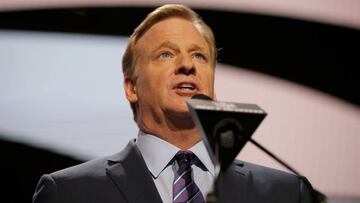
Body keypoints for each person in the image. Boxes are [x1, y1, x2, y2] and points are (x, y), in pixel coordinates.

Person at [33, 4, 314, 203]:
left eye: (199, 57)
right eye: (166, 55)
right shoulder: (70, 193)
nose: (186, 66)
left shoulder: (287, 193)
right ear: (132, 87)